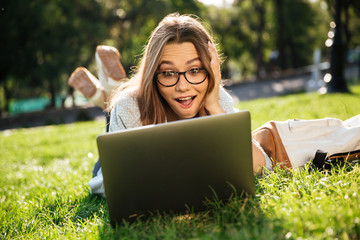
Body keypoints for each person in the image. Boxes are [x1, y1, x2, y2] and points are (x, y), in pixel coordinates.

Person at [68, 13, 270, 198]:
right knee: (117, 109)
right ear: (153, 75)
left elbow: (261, 167)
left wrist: (215, 108)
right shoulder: (129, 108)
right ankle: (111, 93)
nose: (183, 87)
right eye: (168, 73)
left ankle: (107, 92)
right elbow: (112, 185)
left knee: (116, 104)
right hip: (124, 130)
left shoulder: (215, 97)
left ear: (211, 68)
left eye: (195, 70)